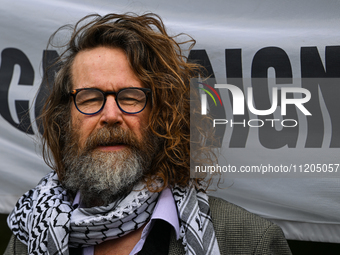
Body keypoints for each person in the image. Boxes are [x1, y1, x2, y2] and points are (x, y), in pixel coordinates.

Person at [4, 13, 292, 255]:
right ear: (64, 118)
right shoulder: (29, 232)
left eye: (130, 96)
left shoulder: (248, 242)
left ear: (164, 113)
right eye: (90, 98)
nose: (111, 116)